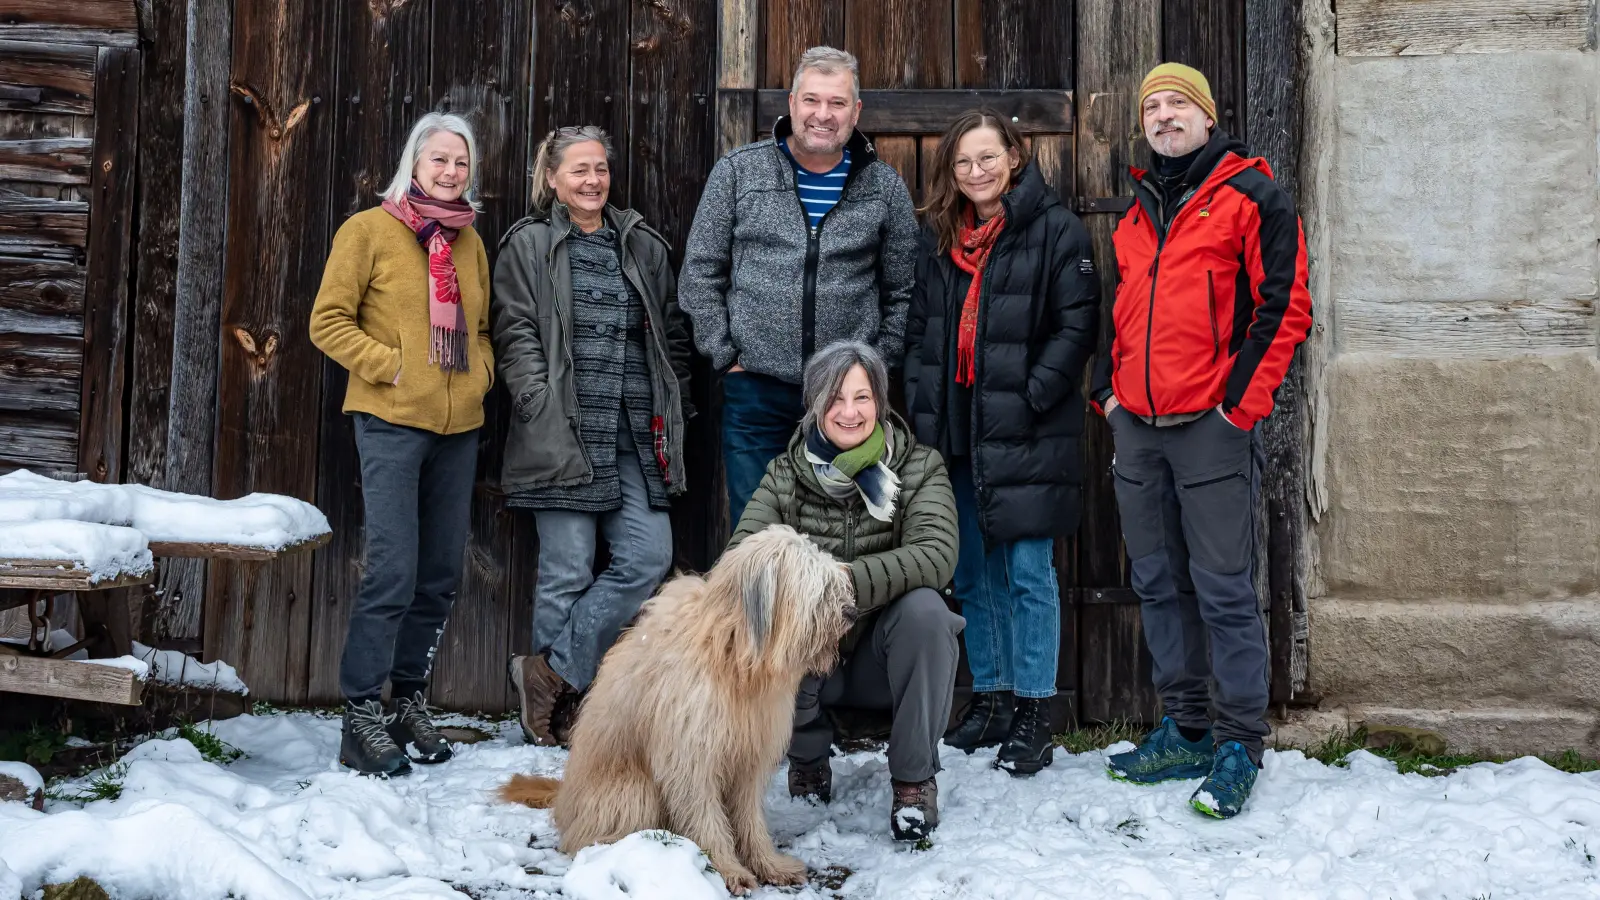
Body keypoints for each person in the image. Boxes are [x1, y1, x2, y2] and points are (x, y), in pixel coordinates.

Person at [1090, 63, 1313, 818]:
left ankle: (1239, 743)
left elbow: (1284, 309)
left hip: (1210, 429)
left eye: (1177, 103)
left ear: (1207, 117)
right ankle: (1186, 727)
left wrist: (1235, 411)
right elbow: (1112, 313)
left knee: (1222, 590)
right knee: (1157, 582)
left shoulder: (1253, 196)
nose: (1163, 115)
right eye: (1152, 105)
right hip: (1140, 430)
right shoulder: (1133, 215)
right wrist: (1108, 397)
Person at [905, 111, 1100, 776]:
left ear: (1015, 156)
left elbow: (1076, 328)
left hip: (1025, 431)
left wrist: (1032, 395)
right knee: (971, 572)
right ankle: (988, 701)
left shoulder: (1055, 231)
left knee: (1026, 574)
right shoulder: (938, 238)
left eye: (987, 158)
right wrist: (921, 407)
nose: (976, 172)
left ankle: (1033, 713)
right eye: (963, 163)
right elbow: (917, 331)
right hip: (955, 428)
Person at [492, 126, 694, 747]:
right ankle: (557, 716)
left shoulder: (641, 245)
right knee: (567, 569)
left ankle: (550, 674)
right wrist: (536, 400)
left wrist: (675, 398)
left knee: (647, 556)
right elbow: (513, 328)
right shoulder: (529, 245)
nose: (592, 181)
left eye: (600, 169)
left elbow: (673, 334)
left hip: (633, 431)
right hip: (562, 430)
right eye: (579, 170)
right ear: (551, 178)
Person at [310, 112, 494, 776]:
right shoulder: (368, 231)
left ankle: (407, 702)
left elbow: (483, 331)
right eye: (439, 159)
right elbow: (326, 321)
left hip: (459, 428)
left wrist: (480, 378)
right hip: (390, 421)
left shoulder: (470, 242)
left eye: (461, 163)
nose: (450, 172)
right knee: (393, 571)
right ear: (414, 163)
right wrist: (392, 367)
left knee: (440, 574)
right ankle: (361, 713)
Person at [727, 341, 960, 843]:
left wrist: (838, 583)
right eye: (835, 399)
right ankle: (807, 760)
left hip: (883, 660)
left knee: (929, 612)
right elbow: (741, 557)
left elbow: (937, 553)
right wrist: (807, 595)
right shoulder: (785, 474)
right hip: (810, 663)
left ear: (880, 401)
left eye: (862, 397)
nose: (849, 412)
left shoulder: (919, 466)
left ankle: (914, 782)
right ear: (814, 404)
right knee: (770, 613)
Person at [679, 45, 919, 530]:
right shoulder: (739, 173)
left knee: (840, 535)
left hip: (845, 398)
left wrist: (874, 367)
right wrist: (726, 355)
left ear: (856, 111)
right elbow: (699, 272)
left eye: (836, 103)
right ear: (791, 103)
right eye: (812, 100)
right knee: (760, 535)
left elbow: (904, 290)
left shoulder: (884, 187)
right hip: (757, 393)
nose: (822, 115)